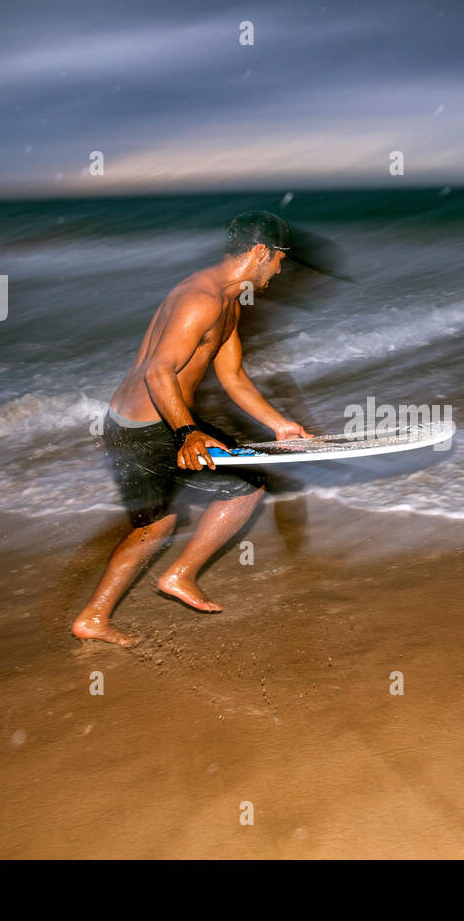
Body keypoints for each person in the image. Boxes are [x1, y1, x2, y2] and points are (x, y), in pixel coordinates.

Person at [72, 211, 312, 646]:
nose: (279, 270)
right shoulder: (200, 299)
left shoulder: (228, 301)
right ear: (261, 252)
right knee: (245, 487)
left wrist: (281, 425)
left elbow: (233, 376)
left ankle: (93, 618)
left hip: (149, 420)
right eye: (279, 260)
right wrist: (187, 433)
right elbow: (158, 371)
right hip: (147, 427)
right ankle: (178, 576)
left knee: (157, 524)